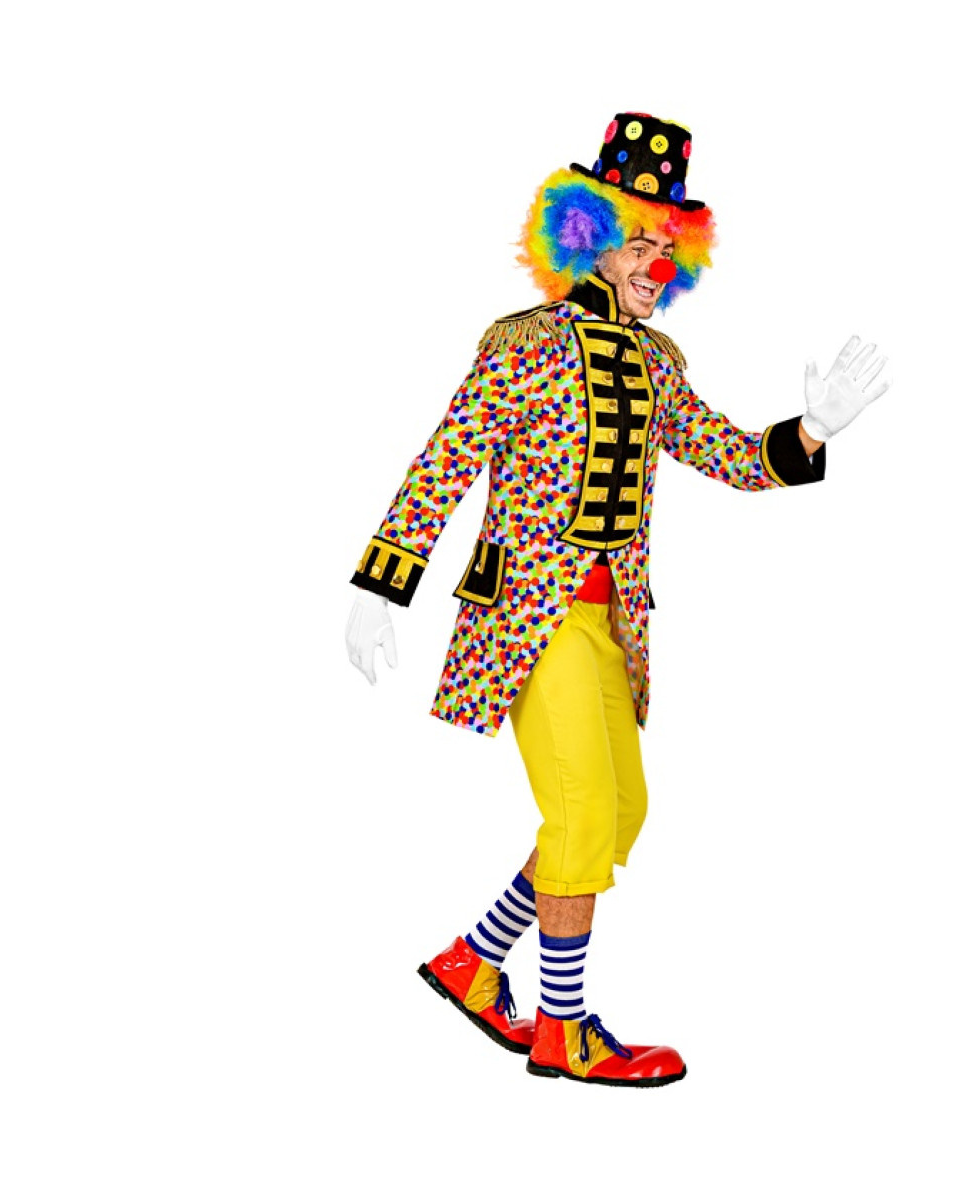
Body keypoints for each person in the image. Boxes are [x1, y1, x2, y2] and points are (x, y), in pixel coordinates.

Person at [345, 112, 890, 1087]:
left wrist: (809, 430)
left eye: (668, 243)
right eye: (638, 240)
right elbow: (445, 460)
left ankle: (475, 963)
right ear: (586, 236)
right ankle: (563, 1028)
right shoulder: (520, 344)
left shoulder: (656, 360)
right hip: (527, 617)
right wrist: (382, 586)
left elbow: (722, 451)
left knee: (618, 812)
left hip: (612, 622)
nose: (655, 262)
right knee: (584, 810)